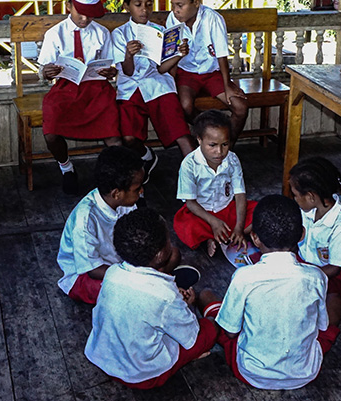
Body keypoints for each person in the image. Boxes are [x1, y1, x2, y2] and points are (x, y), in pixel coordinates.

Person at [215, 195, 341, 390]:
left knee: (212, 308)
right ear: (302, 234)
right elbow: (321, 325)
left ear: (255, 238)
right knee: (335, 300)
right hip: (304, 371)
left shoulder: (243, 277)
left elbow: (230, 333)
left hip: (254, 373)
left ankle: (207, 304)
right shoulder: (316, 276)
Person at [85, 208, 221, 389]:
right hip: (142, 376)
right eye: (168, 239)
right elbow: (191, 336)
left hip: (102, 356)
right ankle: (186, 357)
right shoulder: (165, 296)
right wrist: (187, 306)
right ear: (160, 254)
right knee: (211, 327)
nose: (171, 242)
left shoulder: (112, 272)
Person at [38, 0, 121, 194]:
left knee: (114, 135)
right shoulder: (55, 34)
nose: (85, 19)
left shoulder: (101, 33)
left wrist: (110, 71)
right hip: (65, 88)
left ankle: (115, 178)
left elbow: (112, 65)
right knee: (51, 131)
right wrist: (47, 71)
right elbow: (44, 69)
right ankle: (66, 167)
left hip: (97, 88)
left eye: (90, 14)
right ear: (68, 6)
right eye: (80, 13)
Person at [58, 146, 174, 305]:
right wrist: (135, 276)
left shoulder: (126, 201)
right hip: (84, 277)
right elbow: (92, 270)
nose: (141, 191)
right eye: (137, 188)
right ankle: (157, 283)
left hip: (122, 264)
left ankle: (153, 284)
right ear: (116, 193)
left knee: (173, 254)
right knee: (125, 290)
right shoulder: (85, 220)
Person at [111, 0, 197, 180]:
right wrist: (129, 55)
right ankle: (146, 156)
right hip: (131, 88)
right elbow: (128, 72)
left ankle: (199, 179)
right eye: (138, 4)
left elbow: (161, 68)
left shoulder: (160, 32)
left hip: (158, 86)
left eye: (149, 4)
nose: (144, 10)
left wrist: (179, 54)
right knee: (128, 138)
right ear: (126, 6)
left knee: (181, 134)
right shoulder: (120, 34)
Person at [166, 0, 249, 141]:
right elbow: (172, 56)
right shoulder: (172, 19)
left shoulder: (212, 18)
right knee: (184, 106)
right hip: (186, 73)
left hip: (212, 73)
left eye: (180, 5)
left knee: (240, 108)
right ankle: (208, 133)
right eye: (173, 5)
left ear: (196, 2)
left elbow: (222, 55)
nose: (175, 10)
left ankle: (226, 147)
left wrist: (227, 85)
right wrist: (170, 83)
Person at [174, 110, 256, 256]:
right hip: (202, 213)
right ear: (199, 140)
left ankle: (228, 235)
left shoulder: (232, 160)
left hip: (228, 208)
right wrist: (213, 221)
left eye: (225, 144)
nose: (219, 151)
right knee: (187, 225)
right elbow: (191, 203)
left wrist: (239, 227)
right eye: (212, 145)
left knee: (259, 211)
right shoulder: (189, 164)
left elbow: (240, 195)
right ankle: (214, 237)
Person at [288, 157, 341, 307]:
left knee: (330, 293)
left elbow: (334, 268)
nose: (294, 199)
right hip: (308, 263)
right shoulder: (308, 210)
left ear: (310, 196)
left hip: (337, 274)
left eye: (295, 195)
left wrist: (306, 276)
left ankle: (329, 320)